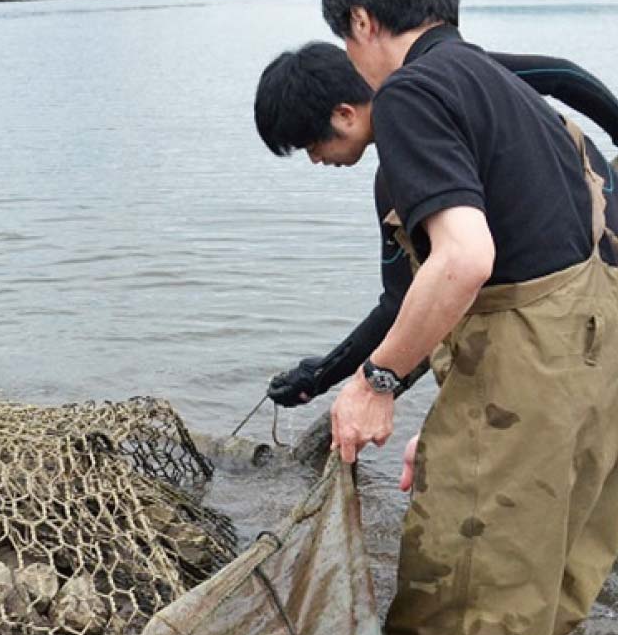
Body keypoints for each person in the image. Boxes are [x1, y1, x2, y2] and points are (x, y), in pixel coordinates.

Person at [291, 0, 618, 635]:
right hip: (599, 361)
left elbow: (465, 259)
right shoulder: (503, 84)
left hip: (538, 362)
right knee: (545, 589)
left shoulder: (411, 93)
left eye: (348, 37)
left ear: (365, 22)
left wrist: (375, 382)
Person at [253, 41, 618, 407]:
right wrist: (322, 373)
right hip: (587, 253)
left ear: (345, 115)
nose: (316, 159)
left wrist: (335, 378)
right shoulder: (452, 75)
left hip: (581, 282)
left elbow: (398, 303)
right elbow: (563, 75)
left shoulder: (417, 127)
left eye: (312, 145)